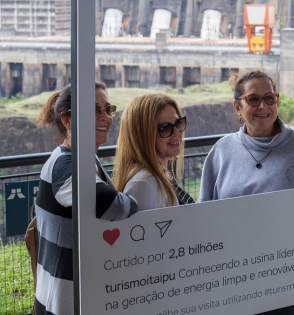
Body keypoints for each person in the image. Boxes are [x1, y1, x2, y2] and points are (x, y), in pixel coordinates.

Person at [200, 70, 294, 315]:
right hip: (235, 279)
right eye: (253, 99)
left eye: (270, 98)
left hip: (292, 276)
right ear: (237, 106)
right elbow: (205, 218)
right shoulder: (221, 152)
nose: (263, 106)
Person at [34, 82, 138, 315]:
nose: (104, 117)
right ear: (67, 121)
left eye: (107, 109)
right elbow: (108, 203)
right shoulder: (65, 164)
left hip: (74, 291)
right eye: (93, 110)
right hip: (61, 299)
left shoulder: (86, 158)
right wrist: (134, 202)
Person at [113, 93, 193, 210]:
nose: (177, 133)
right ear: (143, 135)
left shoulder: (156, 176)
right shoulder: (144, 184)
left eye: (178, 123)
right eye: (165, 127)